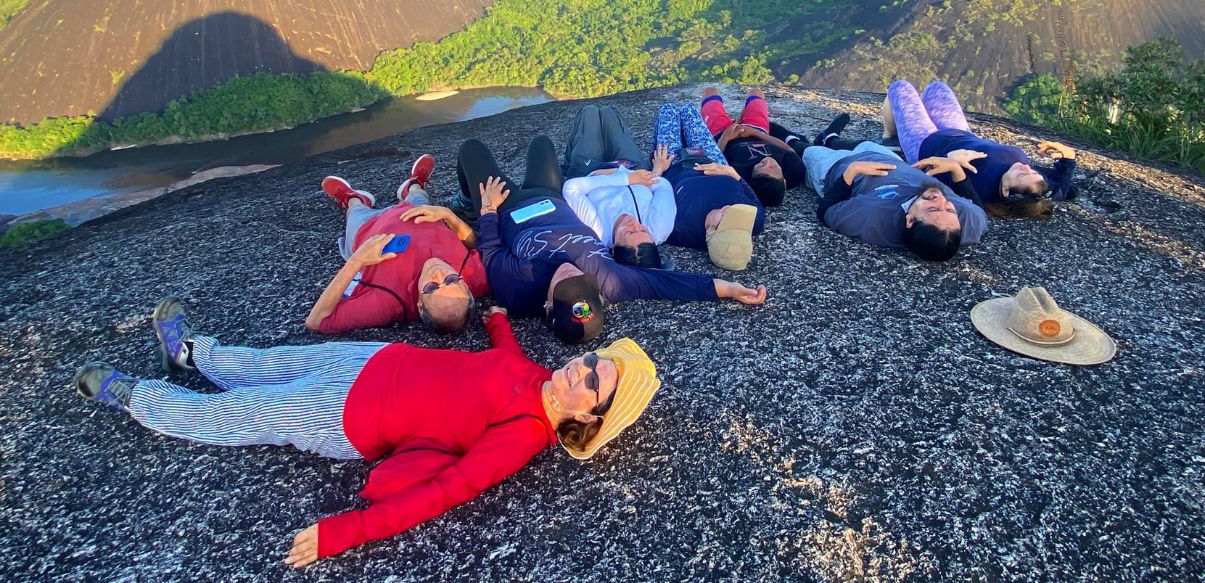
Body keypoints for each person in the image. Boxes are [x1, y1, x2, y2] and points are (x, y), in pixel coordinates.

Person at [75, 298, 660, 568]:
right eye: (591, 360)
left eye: (591, 380)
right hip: (376, 359)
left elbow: (447, 490)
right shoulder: (536, 374)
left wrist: (343, 534)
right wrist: (500, 321)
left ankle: (137, 397)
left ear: (588, 416)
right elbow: (504, 359)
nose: (578, 368)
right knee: (268, 361)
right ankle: (191, 354)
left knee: (244, 413)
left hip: (350, 418)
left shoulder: (526, 433)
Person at [456, 135, 767, 343]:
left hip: (508, 206)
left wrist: (486, 210)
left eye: (563, 285)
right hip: (552, 197)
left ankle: (465, 200)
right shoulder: (609, 280)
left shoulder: (517, 289)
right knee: (542, 144)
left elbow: (491, 250)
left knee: (471, 149)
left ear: (548, 307)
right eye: (582, 281)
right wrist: (729, 289)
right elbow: (666, 285)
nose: (570, 273)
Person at [310, 154, 485, 335]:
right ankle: (413, 185)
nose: (438, 274)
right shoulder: (476, 277)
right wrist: (449, 215)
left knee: (355, 210)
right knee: (418, 195)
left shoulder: (388, 304)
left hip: (367, 227)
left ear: (420, 305)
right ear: (465, 286)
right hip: (418, 212)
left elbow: (317, 321)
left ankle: (353, 198)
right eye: (451, 280)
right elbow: (476, 244)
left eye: (431, 287)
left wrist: (356, 260)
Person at [788, 119, 987, 261]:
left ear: (909, 220)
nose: (940, 199)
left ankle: (793, 141)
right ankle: (830, 139)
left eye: (933, 209)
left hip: (837, 168)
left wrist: (852, 171)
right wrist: (956, 170)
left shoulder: (871, 219)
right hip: (893, 162)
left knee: (810, 152)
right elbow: (978, 211)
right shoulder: (963, 223)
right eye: (950, 209)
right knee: (866, 144)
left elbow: (826, 211)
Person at [883, 80, 1077, 218]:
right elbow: (1062, 190)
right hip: (960, 132)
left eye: (1022, 175)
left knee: (900, 87)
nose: (1025, 168)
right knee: (937, 87)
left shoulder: (979, 187)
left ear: (1007, 192)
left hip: (925, 142)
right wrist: (1068, 158)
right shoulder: (1035, 186)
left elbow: (925, 175)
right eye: (1032, 170)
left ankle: (889, 136)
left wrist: (951, 159)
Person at [560, 104, 677, 268]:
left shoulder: (597, 231)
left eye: (629, 232)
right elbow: (663, 187)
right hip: (631, 166)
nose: (635, 223)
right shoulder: (659, 228)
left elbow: (571, 188)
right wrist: (654, 171)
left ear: (614, 249)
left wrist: (626, 179)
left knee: (589, 114)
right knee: (609, 113)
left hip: (591, 170)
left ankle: (568, 163)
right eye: (643, 230)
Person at [654, 103, 766, 271]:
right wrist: (732, 173)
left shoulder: (680, 229)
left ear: (711, 231)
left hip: (674, 165)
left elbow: (650, 204)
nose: (730, 210)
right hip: (714, 161)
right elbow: (752, 197)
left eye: (726, 219)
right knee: (689, 110)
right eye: (737, 219)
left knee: (668, 110)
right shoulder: (753, 221)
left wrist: (657, 170)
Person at [699, 86, 806, 207]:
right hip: (756, 131)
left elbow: (714, 160)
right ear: (784, 181)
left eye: (760, 165)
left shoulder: (741, 175)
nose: (767, 161)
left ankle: (736, 119)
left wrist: (726, 137)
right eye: (772, 167)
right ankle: (742, 116)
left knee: (710, 92)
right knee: (756, 93)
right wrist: (754, 133)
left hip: (722, 134)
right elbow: (788, 149)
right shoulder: (793, 171)